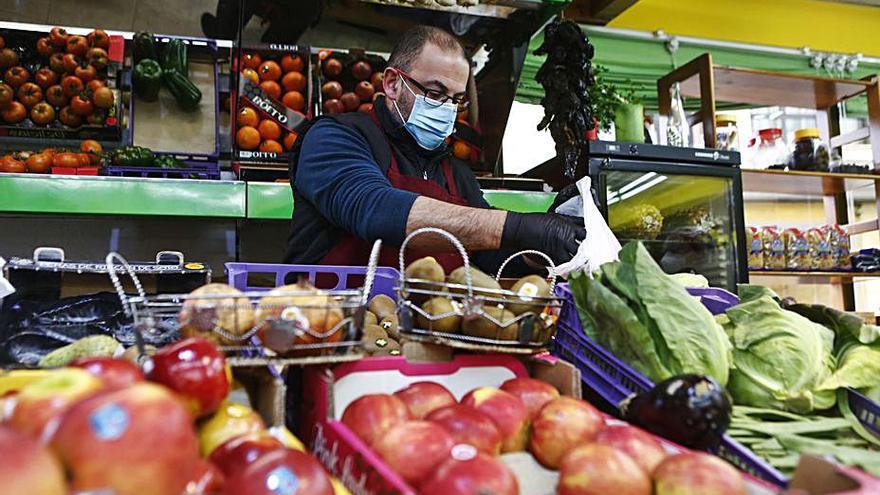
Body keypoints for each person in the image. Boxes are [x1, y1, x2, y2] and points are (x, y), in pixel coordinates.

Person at [285, 25, 584, 274]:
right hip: (334, 326)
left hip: (428, 329)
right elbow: (373, 208)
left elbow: (488, 256)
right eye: (435, 93)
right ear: (392, 83)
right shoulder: (334, 137)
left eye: (456, 100)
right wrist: (519, 226)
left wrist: (540, 244)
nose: (447, 109)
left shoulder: (455, 172)